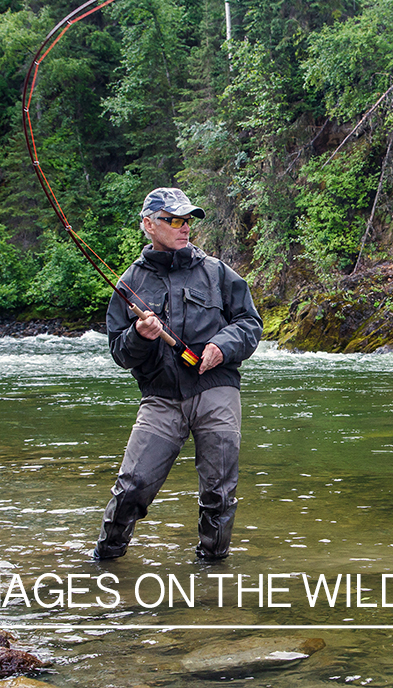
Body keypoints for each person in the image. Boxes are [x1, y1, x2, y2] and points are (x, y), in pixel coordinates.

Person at [93, 187, 263, 561]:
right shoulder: (129, 284)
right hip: (161, 396)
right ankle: (104, 563)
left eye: (187, 220)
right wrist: (139, 335)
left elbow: (250, 323)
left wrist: (223, 346)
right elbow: (120, 353)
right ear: (148, 225)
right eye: (173, 220)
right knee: (133, 485)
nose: (183, 227)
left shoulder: (217, 272)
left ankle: (213, 574)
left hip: (216, 389)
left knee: (218, 491)